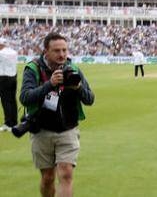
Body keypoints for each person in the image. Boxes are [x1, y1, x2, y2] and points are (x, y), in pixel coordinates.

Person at [19, 32, 95, 197]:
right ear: (46, 51)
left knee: (66, 174)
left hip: (68, 129)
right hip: (41, 130)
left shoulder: (73, 69)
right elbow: (25, 98)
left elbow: (90, 99)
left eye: (64, 50)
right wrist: (49, 84)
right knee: (47, 178)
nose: (62, 55)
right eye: (57, 51)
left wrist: (79, 88)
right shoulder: (33, 68)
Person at [0, 37, 19, 132]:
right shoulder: (13, 52)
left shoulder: (1, 53)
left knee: (5, 101)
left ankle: (8, 123)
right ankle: (14, 122)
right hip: (13, 77)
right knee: (12, 100)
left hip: (3, 77)